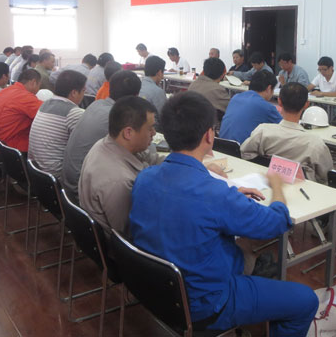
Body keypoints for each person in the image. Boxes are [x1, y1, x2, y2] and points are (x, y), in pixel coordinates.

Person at [129, 92, 318, 336]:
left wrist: (230, 197)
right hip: (205, 304)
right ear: (209, 135)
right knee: (306, 300)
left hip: (154, 291)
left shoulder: (145, 178)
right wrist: (277, 186)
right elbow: (276, 223)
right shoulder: (215, 194)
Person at [79, 96, 160, 235]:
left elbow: (150, 159)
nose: (154, 133)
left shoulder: (108, 143)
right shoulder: (119, 181)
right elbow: (128, 233)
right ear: (128, 133)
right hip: (113, 244)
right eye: (150, 128)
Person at [62, 71, 142, 203]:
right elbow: (137, 150)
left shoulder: (96, 104)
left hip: (68, 183)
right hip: (80, 190)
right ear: (136, 97)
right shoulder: (117, 117)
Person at [241, 82, 333, 184]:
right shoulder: (315, 143)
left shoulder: (263, 131)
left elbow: (245, 154)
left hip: (268, 185)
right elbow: (325, 176)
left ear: (279, 101)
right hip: (303, 190)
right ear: (306, 105)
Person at [28, 70, 86, 177]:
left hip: (35, 171)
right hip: (56, 174)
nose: (84, 94)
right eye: (83, 90)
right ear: (74, 92)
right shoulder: (74, 112)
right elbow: (84, 147)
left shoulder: (45, 104)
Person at [0, 68, 42, 154]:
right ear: (33, 82)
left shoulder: (6, 90)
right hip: (8, 147)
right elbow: (47, 114)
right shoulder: (24, 96)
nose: (38, 90)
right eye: (39, 86)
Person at [219, 71, 281, 144]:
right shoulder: (266, 106)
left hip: (220, 145)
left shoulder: (235, 97)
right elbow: (285, 126)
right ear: (269, 88)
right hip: (240, 149)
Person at [139, 55, 167, 119]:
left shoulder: (138, 86)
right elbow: (163, 116)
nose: (163, 77)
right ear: (159, 72)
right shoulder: (158, 92)